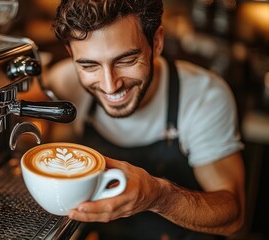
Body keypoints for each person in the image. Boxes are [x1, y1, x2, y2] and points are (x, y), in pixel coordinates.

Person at [44, 0, 246, 239]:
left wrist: (159, 196)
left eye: (126, 60)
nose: (110, 85)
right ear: (71, 54)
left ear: (157, 42)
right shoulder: (64, 83)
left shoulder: (203, 96)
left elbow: (234, 215)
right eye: (89, 66)